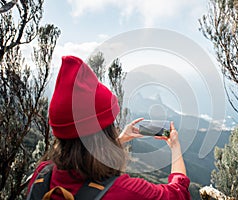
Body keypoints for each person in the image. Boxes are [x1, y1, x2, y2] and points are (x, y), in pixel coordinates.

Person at [27, 55, 191, 200]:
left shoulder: (41, 175)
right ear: (104, 132)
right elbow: (178, 193)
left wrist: (121, 140)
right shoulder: (125, 192)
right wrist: (175, 148)